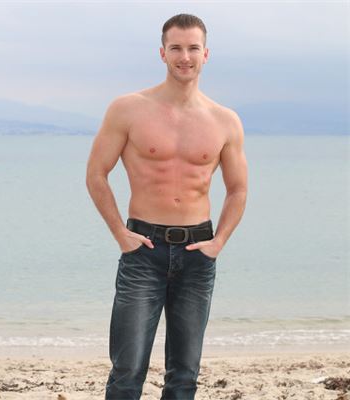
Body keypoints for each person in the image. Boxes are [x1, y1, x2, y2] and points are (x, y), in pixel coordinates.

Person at [85, 13, 248, 400]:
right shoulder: (128, 109)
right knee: (127, 371)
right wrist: (120, 233)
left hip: (197, 253)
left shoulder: (225, 120)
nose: (184, 57)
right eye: (176, 48)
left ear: (206, 54)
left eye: (193, 48)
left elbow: (238, 189)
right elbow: (96, 174)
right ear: (162, 53)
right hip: (144, 248)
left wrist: (219, 242)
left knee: (185, 375)